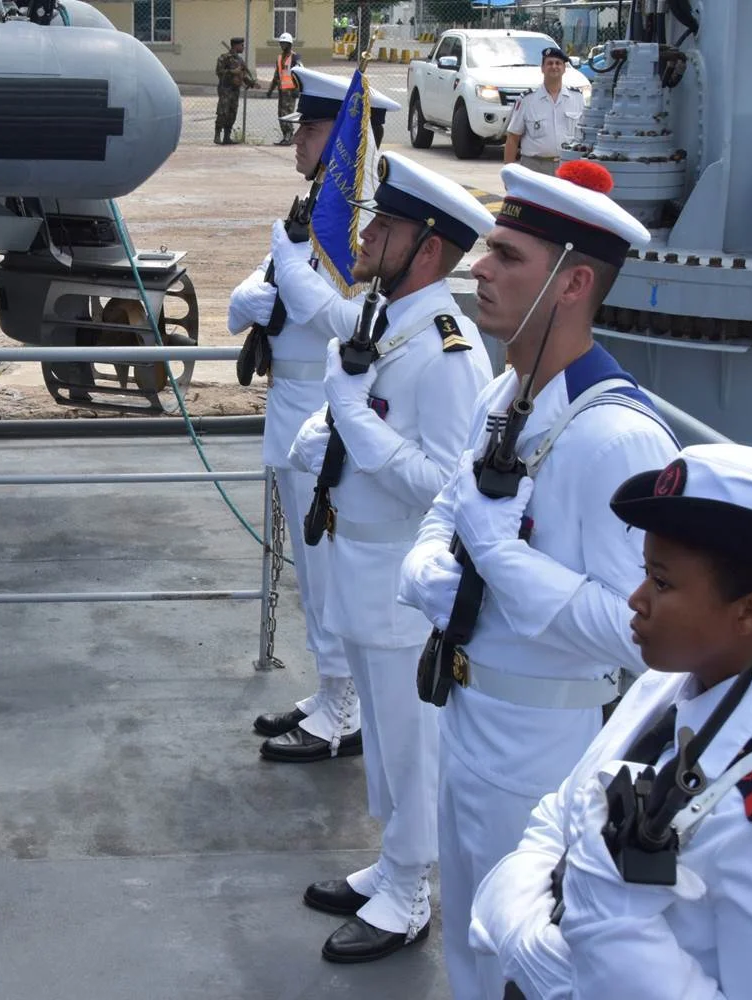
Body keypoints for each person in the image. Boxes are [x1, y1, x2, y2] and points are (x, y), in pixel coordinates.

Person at [395, 160, 679, 1000]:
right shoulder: (506, 391)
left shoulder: (618, 439)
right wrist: (429, 565)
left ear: (573, 283)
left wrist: (502, 564)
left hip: (542, 745)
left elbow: (643, 635)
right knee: (467, 938)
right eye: (489, 249)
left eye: (508, 256)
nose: (479, 268)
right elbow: (450, 506)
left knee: (517, 954)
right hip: (467, 711)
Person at [472, 443, 752, 1000]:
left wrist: (577, 951)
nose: (636, 600)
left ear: (751, 612)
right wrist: (525, 932)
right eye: (646, 574)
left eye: (662, 583)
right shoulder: (674, 686)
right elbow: (561, 817)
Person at [287, 153, 494, 963]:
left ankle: (410, 893)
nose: (367, 235)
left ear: (429, 250)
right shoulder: (388, 320)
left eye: (387, 226)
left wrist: (354, 423)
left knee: (413, 746)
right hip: (358, 563)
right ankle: (392, 861)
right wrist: (328, 431)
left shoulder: (448, 352)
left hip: (403, 582)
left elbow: (448, 483)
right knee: (381, 736)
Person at [229, 66, 399, 766]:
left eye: (312, 127)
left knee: (330, 575)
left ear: (345, 137)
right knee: (310, 570)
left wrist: (293, 284)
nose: (297, 138)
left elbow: (350, 320)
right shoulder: (314, 212)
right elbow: (263, 283)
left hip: (327, 420)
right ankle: (332, 689)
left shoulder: (357, 221)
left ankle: (343, 708)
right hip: (290, 409)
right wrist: (255, 295)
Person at [504, 47, 584, 176]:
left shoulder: (577, 98)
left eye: (558, 63)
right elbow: (513, 137)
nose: (554, 66)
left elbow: (585, 135)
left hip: (568, 166)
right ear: (542, 68)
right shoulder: (527, 100)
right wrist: (508, 174)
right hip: (534, 166)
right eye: (549, 63)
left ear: (564, 69)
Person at [214, 37, 257, 146]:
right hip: (226, 89)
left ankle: (227, 137)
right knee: (223, 112)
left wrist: (251, 83)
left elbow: (243, 75)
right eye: (241, 45)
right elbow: (219, 72)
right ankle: (217, 135)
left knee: (232, 113)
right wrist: (232, 71)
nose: (243, 47)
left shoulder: (239, 60)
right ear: (235, 46)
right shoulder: (224, 58)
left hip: (235, 90)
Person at [265, 32, 302, 145]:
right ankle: (285, 136)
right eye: (281, 43)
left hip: (291, 91)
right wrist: (270, 90)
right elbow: (277, 75)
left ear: (290, 44)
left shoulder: (295, 57)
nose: (282, 45)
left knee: (287, 114)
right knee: (281, 114)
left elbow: (300, 73)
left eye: (284, 43)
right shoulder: (280, 58)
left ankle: (289, 136)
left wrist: (297, 89)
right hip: (282, 91)